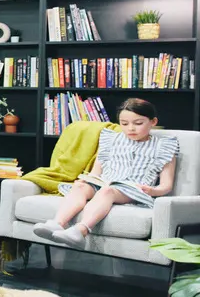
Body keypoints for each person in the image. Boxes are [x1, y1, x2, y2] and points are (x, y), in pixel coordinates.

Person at [33, 97, 179, 247]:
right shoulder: (111, 140)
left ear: (153, 122)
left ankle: (80, 230)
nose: (131, 128)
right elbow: (96, 172)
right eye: (124, 124)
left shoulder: (164, 147)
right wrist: (87, 180)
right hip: (104, 183)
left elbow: (166, 185)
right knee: (80, 187)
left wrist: (153, 191)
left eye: (138, 123)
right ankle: (57, 223)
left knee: (108, 191)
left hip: (134, 189)